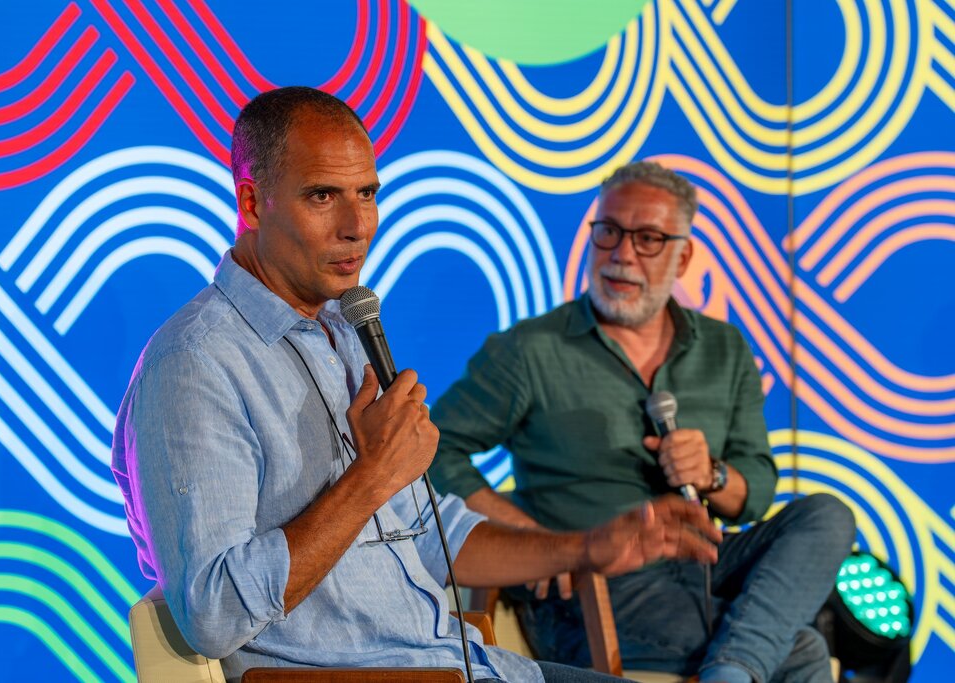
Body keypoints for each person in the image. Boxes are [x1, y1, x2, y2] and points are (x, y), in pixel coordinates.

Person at [111, 89, 722, 683]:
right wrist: (371, 476)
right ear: (251, 202)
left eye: (367, 195)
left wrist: (586, 547)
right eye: (322, 196)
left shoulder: (341, 328)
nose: (357, 226)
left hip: (471, 667)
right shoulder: (195, 363)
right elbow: (211, 614)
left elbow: (429, 532)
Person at [428, 161, 856, 683]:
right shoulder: (532, 349)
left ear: (683, 256)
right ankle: (735, 668)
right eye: (608, 232)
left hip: (702, 566)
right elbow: (432, 450)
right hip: (596, 579)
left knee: (828, 515)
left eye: (648, 238)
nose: (622, 254)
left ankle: (732, 667)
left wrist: (713, 475)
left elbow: (757, 489)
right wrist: (530, 539)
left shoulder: (724, 348)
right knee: (802, 649)